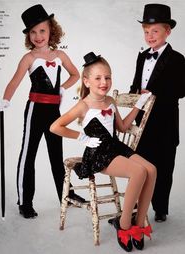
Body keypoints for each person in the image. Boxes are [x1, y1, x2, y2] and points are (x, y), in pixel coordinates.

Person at [50, 52, 157, 252]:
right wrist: (83, 138)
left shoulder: (110, 101)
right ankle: (124, 224)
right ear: (87, 81)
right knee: (139, 172)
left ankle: (139, 221)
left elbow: (123, 127)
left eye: (107, 77)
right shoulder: (83, 105)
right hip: (99, 153)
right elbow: (55, 127)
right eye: (98, 78)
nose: (104, 82)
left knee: (151, 169)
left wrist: (139, 105)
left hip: (116, 147)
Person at [0, 4, 85, 219]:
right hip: (35, 110)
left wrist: (62, 88)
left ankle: (67, 194)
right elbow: (14, 82)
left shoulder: (60, 55)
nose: (38, 36)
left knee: (57, 156)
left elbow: (75, 75)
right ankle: (25, 202)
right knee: (29, 155)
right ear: (28, 36)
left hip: (55, 111)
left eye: (42, 30)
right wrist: (5, 100)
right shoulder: (29, 58)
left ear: (51, 30)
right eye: (33, 32)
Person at [129, 3, 185, 223]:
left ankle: (160, 207)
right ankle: (134, 206)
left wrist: (153, 93)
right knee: (139, 165)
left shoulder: (178, 59)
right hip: (142, 121)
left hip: (165, 122)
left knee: (163, 167)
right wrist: (133, 94)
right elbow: (135, 85)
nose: (150, 36)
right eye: (146, 31)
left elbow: (181, 90)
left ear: (167, 31)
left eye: (155, 31)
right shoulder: (142, 57)